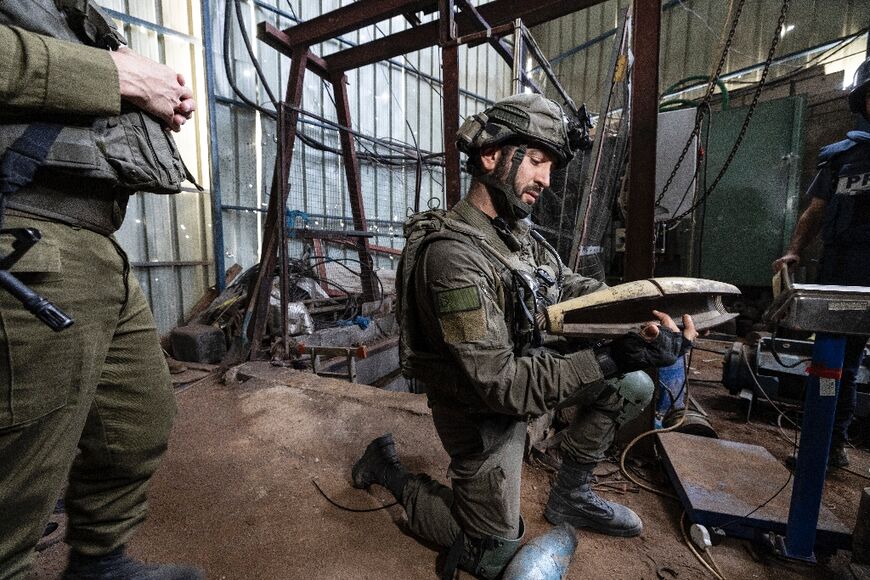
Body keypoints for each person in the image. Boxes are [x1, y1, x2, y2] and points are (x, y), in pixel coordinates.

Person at [352, 93, 698, 579]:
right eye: (536, 161)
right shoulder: (453, 258)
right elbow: (502, 387)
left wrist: (636, 311)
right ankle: (386, 469)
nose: (546, 180)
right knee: (490, 554)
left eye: (551, 166)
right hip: (482, 410)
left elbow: (568, 286)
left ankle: (570, 496)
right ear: (491, 156)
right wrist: (611, 356)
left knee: (634, 384)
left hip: (529, 376)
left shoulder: (517, 233)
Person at [0, 3, 201, 579]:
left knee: (138, 424)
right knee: (20, 475)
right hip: (21, 234)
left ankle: (99, 564)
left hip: (92, 243)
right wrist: (121, 76)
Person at [773, 57, 870, 469]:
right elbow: (814, 211)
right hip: (842, 271)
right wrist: (795, 249)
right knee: (836, 365)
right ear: (863, 101)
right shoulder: (843, 157)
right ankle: (828, 446)